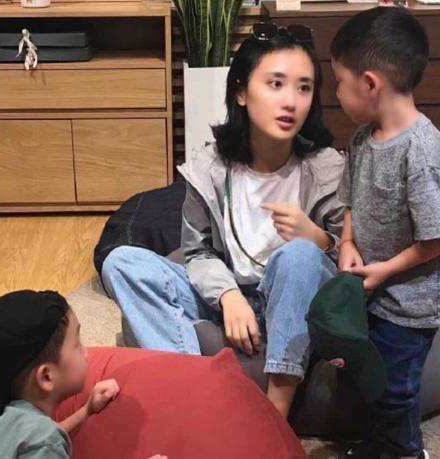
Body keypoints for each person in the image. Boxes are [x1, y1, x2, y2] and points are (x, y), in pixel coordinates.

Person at [102, 23, 345, 420]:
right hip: (230, 296)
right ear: (241, 92)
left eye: (304, 88)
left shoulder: (326, 167)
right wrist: (228, 295)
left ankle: (275, 414)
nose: (291, 101)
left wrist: (316, 238)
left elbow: (349, 259)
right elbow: (196, 252)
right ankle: (193, 392)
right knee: (122, 262)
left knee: (298, 255)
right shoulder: (210, 167)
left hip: (297, 303)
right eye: (276, 84)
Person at [330, 7, 440, 458]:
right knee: (369, 377)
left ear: (370, 84)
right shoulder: (362, 138)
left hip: (413, 300)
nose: (336, 94)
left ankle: (407, 453)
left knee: (395, 389)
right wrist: (347, 241)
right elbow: (350, 200)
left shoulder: (423, 152)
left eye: (339, 83)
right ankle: (378, 447)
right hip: (375, 288)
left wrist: (387, 269)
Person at [0, 290, 166, 459]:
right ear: (46, 377)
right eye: (77, 345)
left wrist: (86, 410)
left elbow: (35, 440)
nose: (86, 352)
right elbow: (43, 441)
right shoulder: (44, 441)